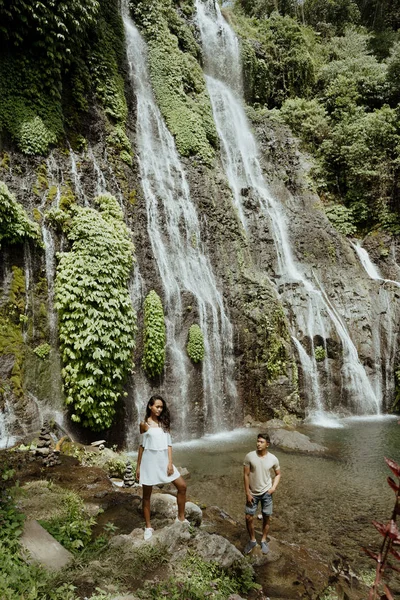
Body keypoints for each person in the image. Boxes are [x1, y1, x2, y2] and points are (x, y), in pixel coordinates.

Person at [136, 394, 188, 540]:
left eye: (161, 407)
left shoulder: (164, 423)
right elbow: (141, 446)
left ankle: (181, 518)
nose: (159, 410)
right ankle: (148, 527)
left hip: (163, 460)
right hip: (149, 461)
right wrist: (138, 467)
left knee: (182, 486)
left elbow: (169, 444)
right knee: (146, 496)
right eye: (157, 407)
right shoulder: (144, 425)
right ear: (150, 406)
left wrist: (170, 462)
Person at [243, 432, 281, 555]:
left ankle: (264, 540)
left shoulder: (273, 459)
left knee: (266, 516)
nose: (258, 444)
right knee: (248, 517)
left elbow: (278, 474)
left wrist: (273, 488)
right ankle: (253, 540)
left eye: (261, 442)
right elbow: (246, 475)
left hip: (266, 492)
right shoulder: (249, 456)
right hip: (252, 493)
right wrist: (247, 493)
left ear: (267, 445)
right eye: (258, 441)